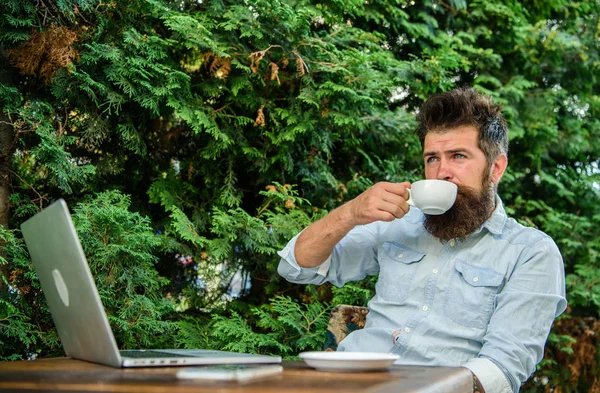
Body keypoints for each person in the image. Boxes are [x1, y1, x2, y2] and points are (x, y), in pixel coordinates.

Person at [277, 87, 567, 393]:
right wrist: (351, 212)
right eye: (432, 158)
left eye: (458, 156)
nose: (442, 172)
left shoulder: (531, 252)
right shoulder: (399, 223)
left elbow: (501, 369)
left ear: (496, 168)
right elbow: (296, 266)